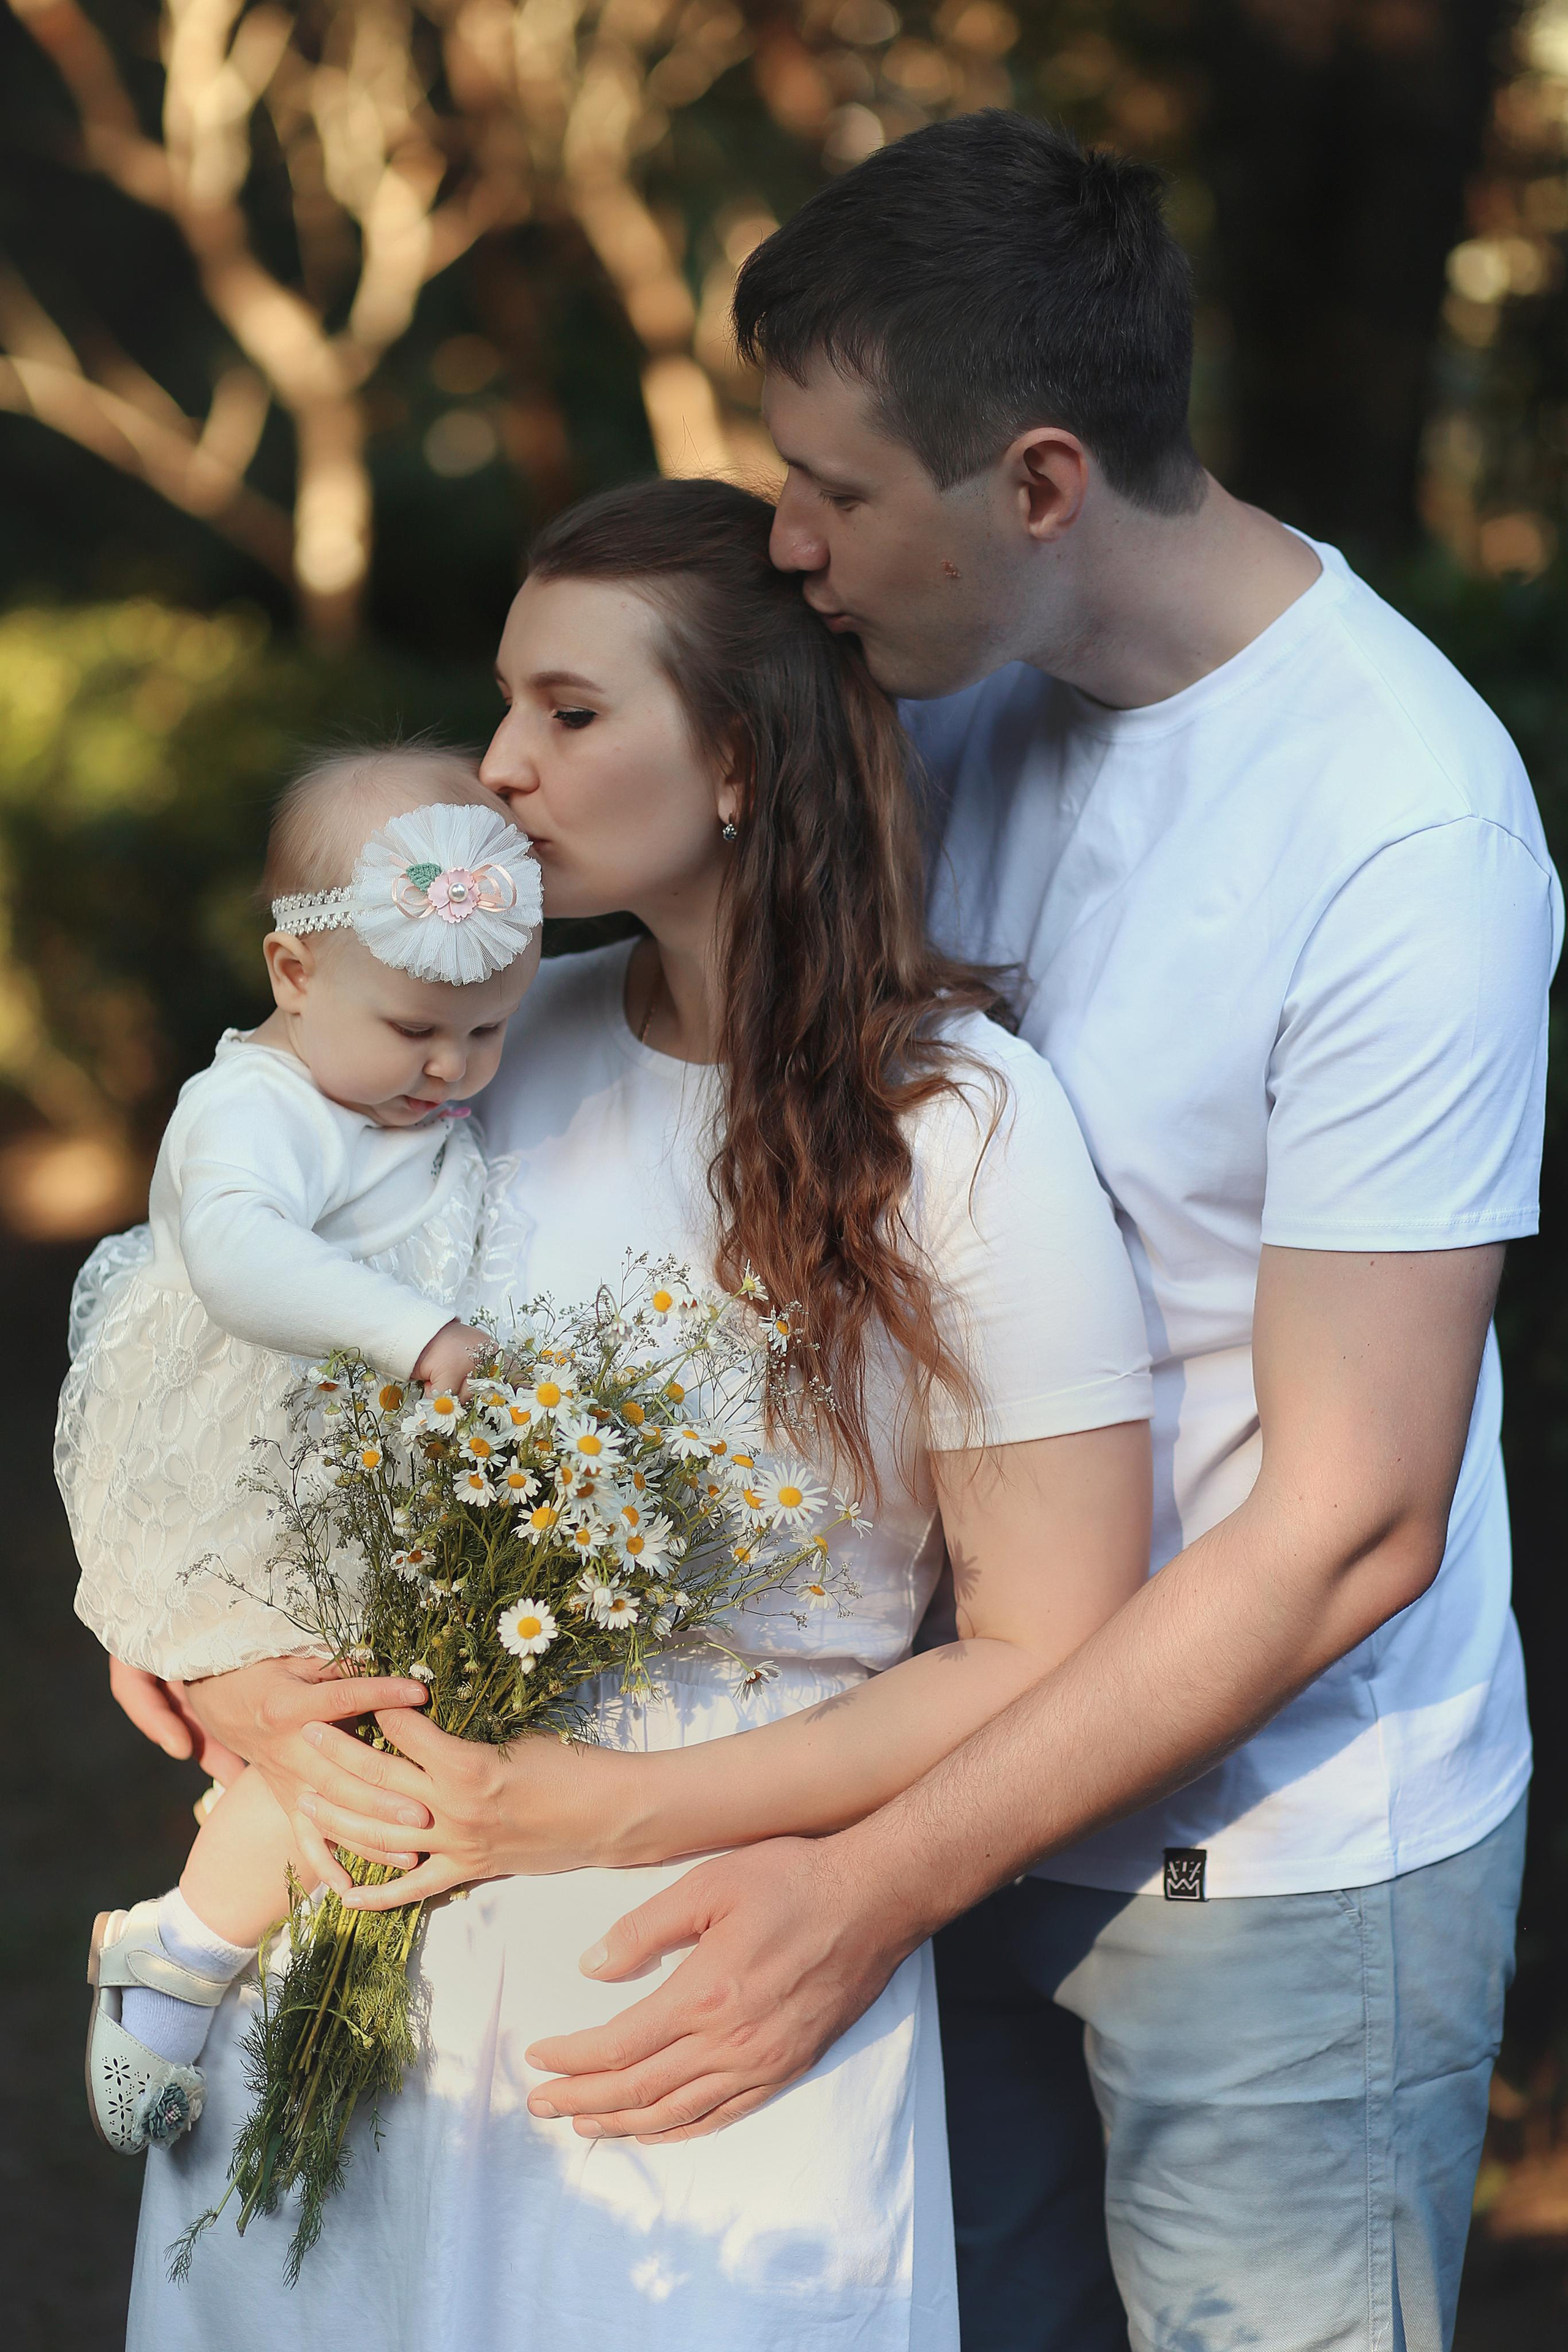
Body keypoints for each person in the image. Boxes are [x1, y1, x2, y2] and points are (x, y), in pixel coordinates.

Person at [391, 113, 1555, 2352]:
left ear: (1035, 483)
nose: (789, 546)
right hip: (927, 1778)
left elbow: (1354, 1525)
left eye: (830, 490)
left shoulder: (1404, 827)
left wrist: (861, 1890)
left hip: (1271, 1860)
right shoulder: (941, 694)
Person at [108, 477, 1153, 2347]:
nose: (501, 768)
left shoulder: (960, 1126)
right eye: (507, 704)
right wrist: (209, 1651)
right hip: (348, 1920)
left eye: (571, 714)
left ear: (740, 760)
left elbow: (1044, 1650)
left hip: (685, 1963)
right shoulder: (475, 1051)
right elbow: (212, 1338)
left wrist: (597, 1815)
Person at [62, 746, 542, 2155]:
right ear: (290, 972)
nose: (452, 1071)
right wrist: (422, 1338)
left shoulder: (394, 1080)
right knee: (325, 1714)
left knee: (331, 1737)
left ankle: (210, 1948)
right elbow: (238, 1258)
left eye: (489, 1035)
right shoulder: (252, 1107)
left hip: (344, 1463)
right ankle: (180, 1955)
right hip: (239, 1457)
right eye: (415, 1032)